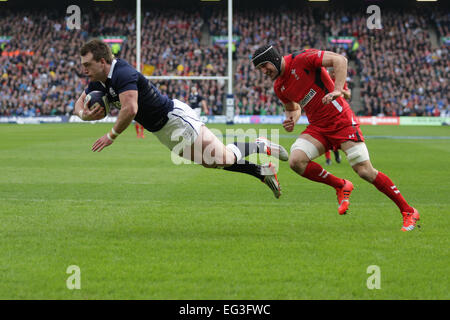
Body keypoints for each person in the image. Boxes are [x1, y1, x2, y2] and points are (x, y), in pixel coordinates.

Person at [74, 39, 288, 198]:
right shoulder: (98, 81)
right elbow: (78, 104)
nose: (84, 70)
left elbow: (130, 109)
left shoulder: (122, 73)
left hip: (175, 118)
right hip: (161, 132)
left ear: (102, 62)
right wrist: (84, 115)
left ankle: (259, 147)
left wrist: (110, 136)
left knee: (223, 158)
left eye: (87, 65)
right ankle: (263, 171)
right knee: (211, 163)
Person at [252, 44, 420, 231]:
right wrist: (291, 120)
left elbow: (340, 59)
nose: (264, 71)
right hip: (318, 127)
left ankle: (408, 210)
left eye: (264, 66)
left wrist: (338, 89)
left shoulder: (302, 59)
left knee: (364, 171)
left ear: (274, 58)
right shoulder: (279, 87)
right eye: (260, 69)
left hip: (341, 120)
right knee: (296, 161)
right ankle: (340, 185)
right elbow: (293, 109)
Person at [324, 67, 349, 165]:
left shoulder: (340, 81)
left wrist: (340, 91)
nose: (334, 74)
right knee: (325, 135)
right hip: (326, 112)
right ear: (328, 72)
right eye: (332, 72)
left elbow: (348, 95)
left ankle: (336, 152)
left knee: (336, 137)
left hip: (339, 113)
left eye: (335, 72)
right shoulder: (324, 80)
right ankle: (328, 159)